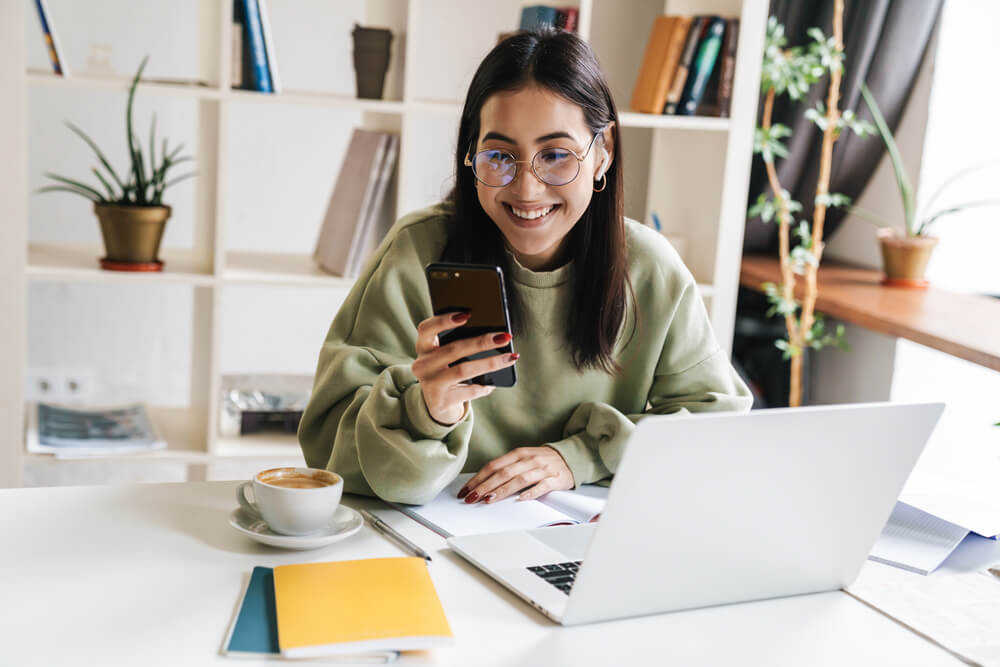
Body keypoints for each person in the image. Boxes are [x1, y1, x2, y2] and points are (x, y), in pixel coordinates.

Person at [298, 28, 751, 506]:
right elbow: (330, 456)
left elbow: (716, 430)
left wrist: (579, 458)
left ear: (604, 153)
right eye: (500, 156)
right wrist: (430, 412)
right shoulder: (415, 254)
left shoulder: (651, 269)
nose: (527, 189)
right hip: (436, 532)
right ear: (471, 155)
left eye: (555, 155)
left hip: (584, 542)